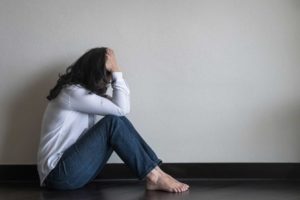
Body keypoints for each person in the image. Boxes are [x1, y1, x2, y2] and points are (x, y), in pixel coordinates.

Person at [36, 47, 190, 193]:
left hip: (71, 173)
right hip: (57, 174)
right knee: (113, 122)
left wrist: (116, 71)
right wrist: (117, 71)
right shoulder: (72, 92)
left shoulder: (84, 94)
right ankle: (155, 177)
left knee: (118, 120)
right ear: (96, 72)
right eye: (108, 73)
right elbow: (121, 108)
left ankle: (157, 172)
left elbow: (121, 108)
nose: (108, 81)